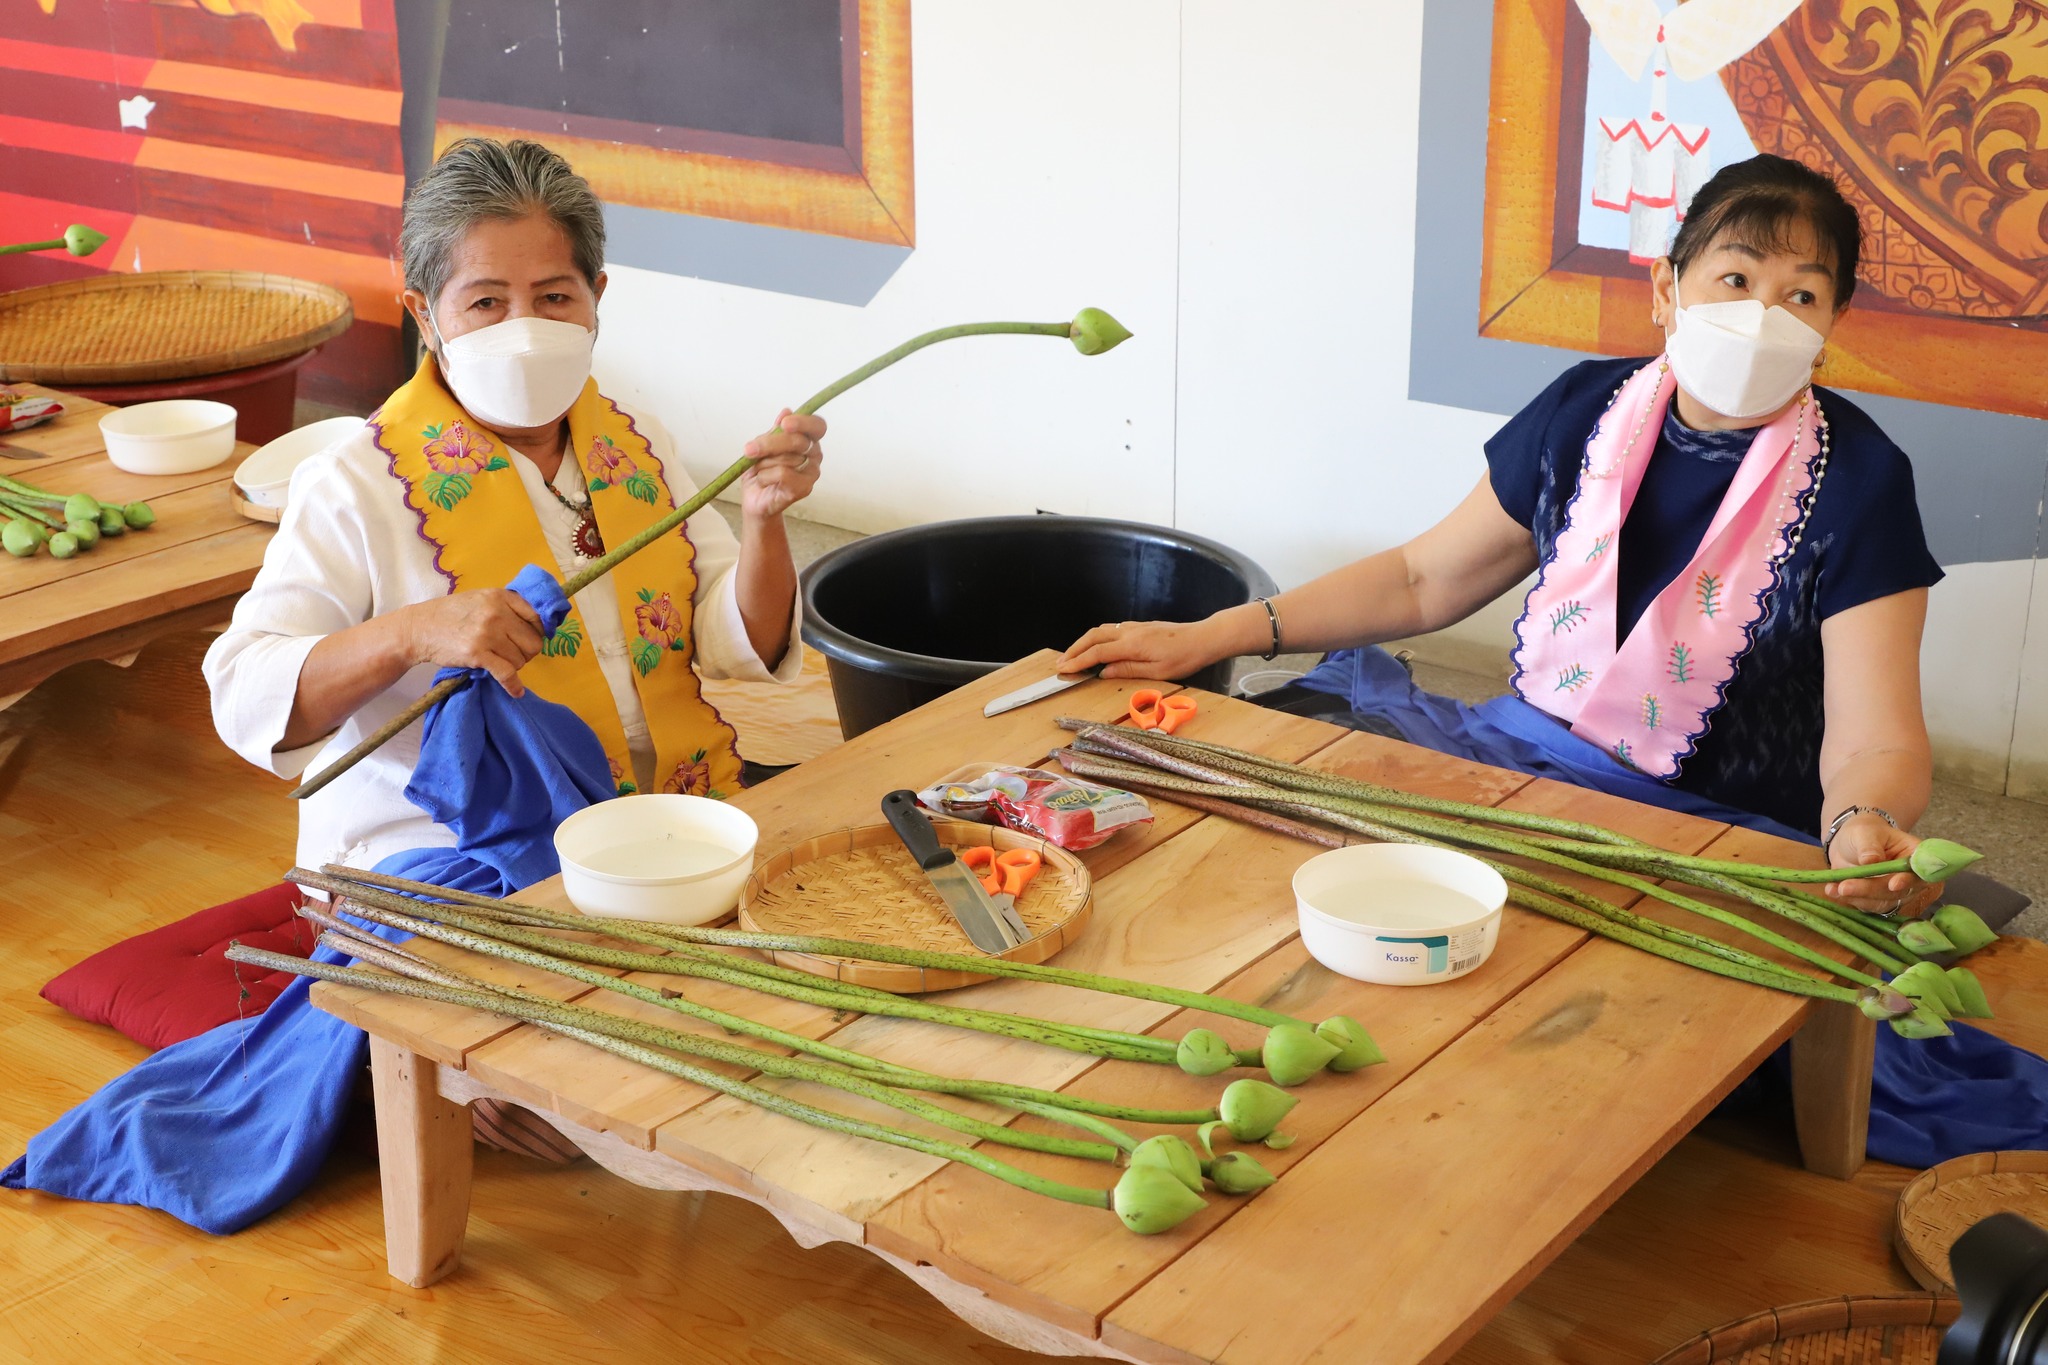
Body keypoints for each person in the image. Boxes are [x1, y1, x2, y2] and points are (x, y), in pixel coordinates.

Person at [1059, 154, 1943, 918]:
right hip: (1521, 765)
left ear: (1830, 327)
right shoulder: (1587, 409)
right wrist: (1211, 634)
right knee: (1260, 820)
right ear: (1668, 289)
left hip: (1705, 830)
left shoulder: (1861, 479)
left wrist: (1858, 824)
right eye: (1736, 279)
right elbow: (1421, 579)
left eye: (1801, 295)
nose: (1762, 315)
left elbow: (1877, 737)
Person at [206, 137, 823, 875]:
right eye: (487, 301)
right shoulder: (358, 481)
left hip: (651, 815)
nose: (523, 331)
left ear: (597, 298)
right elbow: (245, 693)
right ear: (425, 314)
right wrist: (413, 633)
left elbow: (732, 637)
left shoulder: (636, 444)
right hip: (442, 846)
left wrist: (764, 522)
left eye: (554, 297)